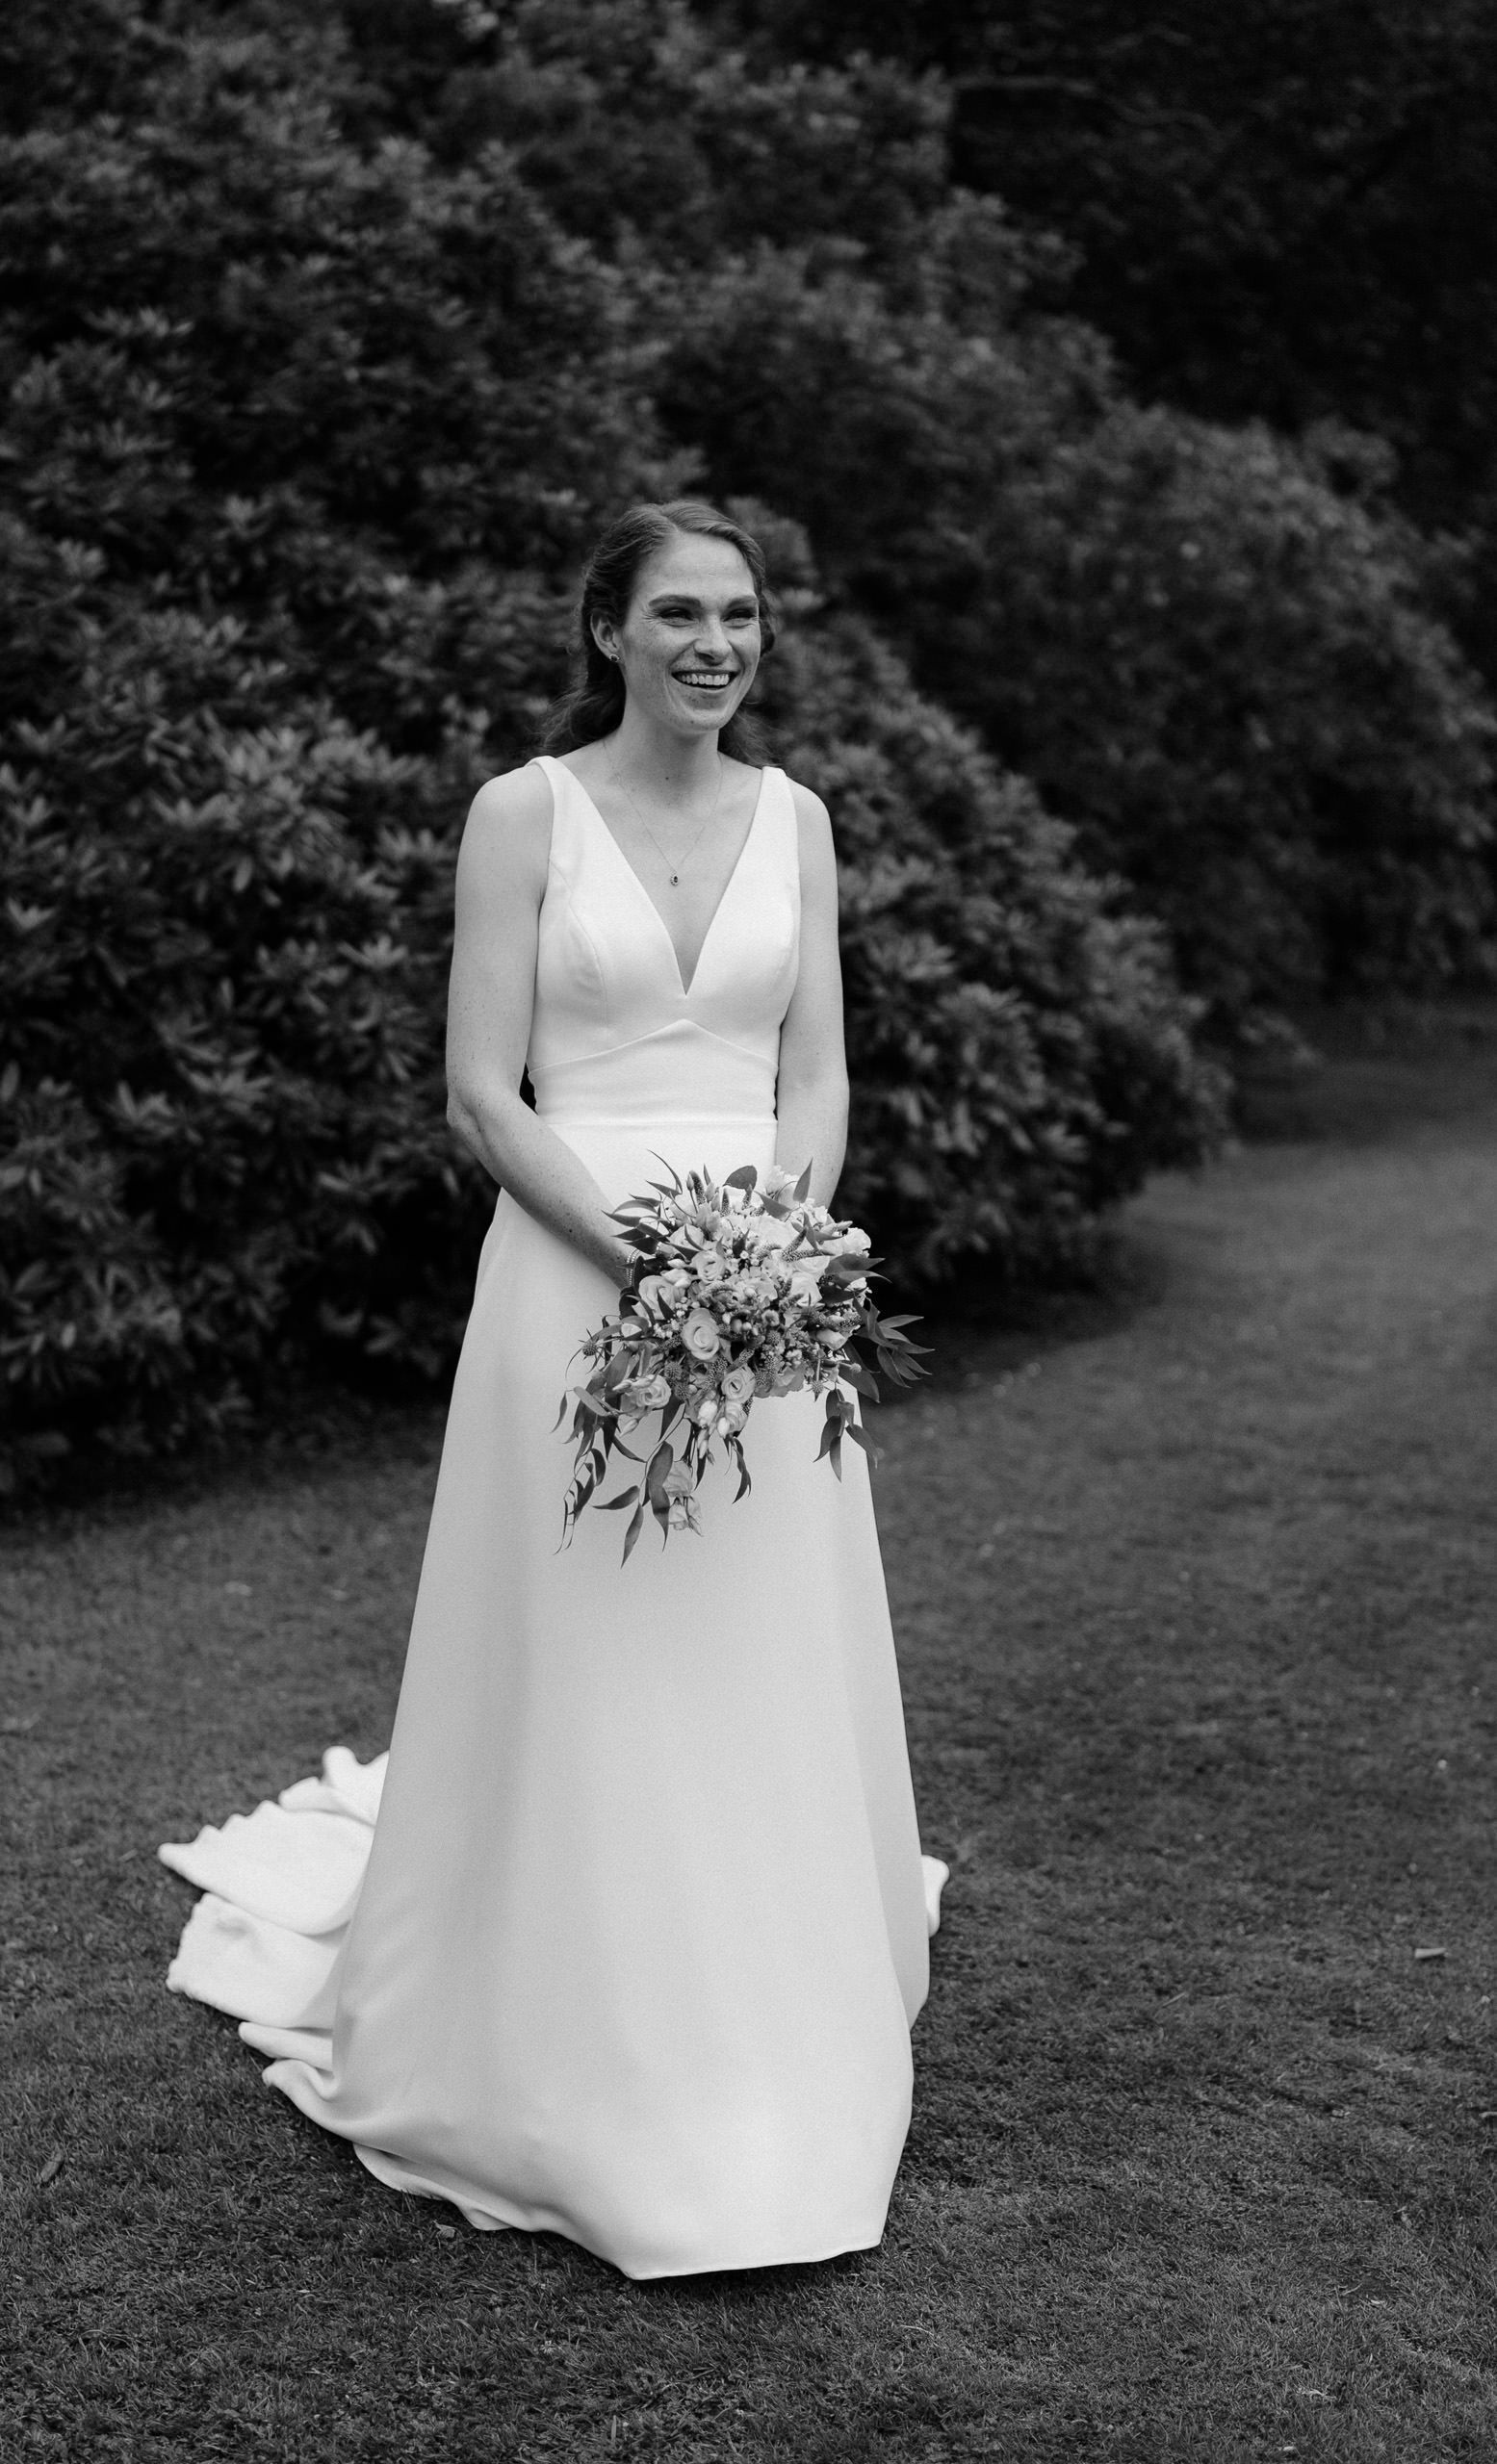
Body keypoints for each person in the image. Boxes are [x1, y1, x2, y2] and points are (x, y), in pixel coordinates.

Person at [161, 500, 946, 2280]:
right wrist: (652, 1259)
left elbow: (816, 1075)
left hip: (757, 1295)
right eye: (678, 614)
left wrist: (771, 1251)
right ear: (608, 631)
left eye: (740, 615)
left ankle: (765, 1978)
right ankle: (561, 2019)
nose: (716, 645)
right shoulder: (522, 813)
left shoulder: (800, 821)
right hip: (572, 1276)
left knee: (746, 1634)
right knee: (591, 1628)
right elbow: (482, 1094)